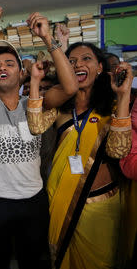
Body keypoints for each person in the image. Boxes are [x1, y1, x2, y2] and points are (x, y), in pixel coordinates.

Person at [0, 5, 79, 269]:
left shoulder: (36, 103)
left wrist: (48, 38)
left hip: (34, 201)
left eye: (9, 63)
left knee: (32, 262)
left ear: (22, 74)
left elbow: (70, 86)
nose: (2, 67)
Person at [26, 42, 134, 269]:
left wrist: (123, 96)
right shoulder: (61, 106)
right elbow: (35, 126)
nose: (78, 65)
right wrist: (35, 82)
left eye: (86, 59)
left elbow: (118, 150)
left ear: (99, 67)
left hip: (100, 205)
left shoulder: (115, 106)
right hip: (60, 197)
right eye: (71, 62)